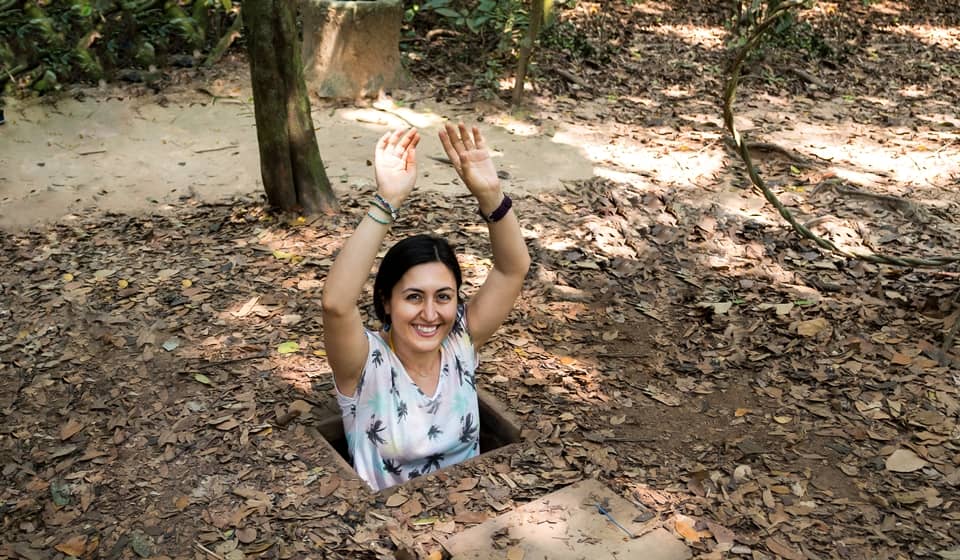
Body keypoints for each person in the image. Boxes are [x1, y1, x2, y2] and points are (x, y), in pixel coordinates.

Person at [321, 124, 530, 491]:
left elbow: (513, 269)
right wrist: (387, 202)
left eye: (444, 297)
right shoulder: (365, 364)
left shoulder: (460, 343)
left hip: (473, 517)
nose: (431, 314)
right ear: (386, 299)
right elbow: (336, 304)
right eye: (414, 297)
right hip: (389, 533)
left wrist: (492, 195)